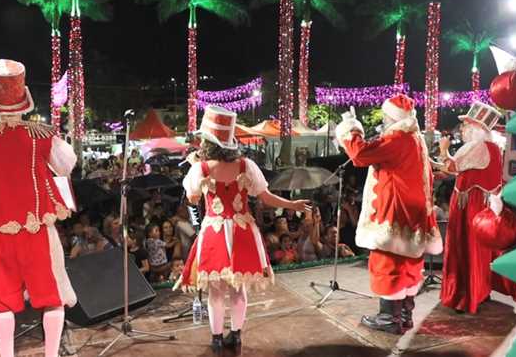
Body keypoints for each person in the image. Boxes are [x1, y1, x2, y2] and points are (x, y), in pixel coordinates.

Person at [0, 59, 76, 357]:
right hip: (37, 235)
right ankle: (51, 354)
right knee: (52, 298)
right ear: (24, 102)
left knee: (2, 303)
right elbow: (66, 165)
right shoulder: (41, 137)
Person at [174, 106, 310, 353]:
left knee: (216, 291)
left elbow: (193, 199)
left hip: (215, 232)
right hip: (243, 230)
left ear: (208, 142)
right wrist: (292, 204)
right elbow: (266, 196)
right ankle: (235, 336)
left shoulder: (200, 168)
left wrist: (196, 169)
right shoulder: (246, 165)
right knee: (238, 289)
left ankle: (216, 340)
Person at [334, 94, 442, 335]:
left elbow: (360, 155)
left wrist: (351, 128)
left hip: (394, 211)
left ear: (393, 117)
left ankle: (388, 318)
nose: (383, 120)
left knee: (387, 262)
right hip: (412, 211)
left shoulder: (398, 137)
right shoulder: (415, 138)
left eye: (385, 116)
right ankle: (404, 316)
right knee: (409, 263)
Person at [438, 102, 516, 314]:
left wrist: (443, 150)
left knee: (465, 246)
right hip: (482, 203)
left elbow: (452, 167)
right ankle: (480, 290)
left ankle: (466, 294)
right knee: (480, 249)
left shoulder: (475, 147)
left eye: (466, 125)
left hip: (470, 204)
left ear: (476, 128)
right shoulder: (492, 147)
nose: (463, 130)